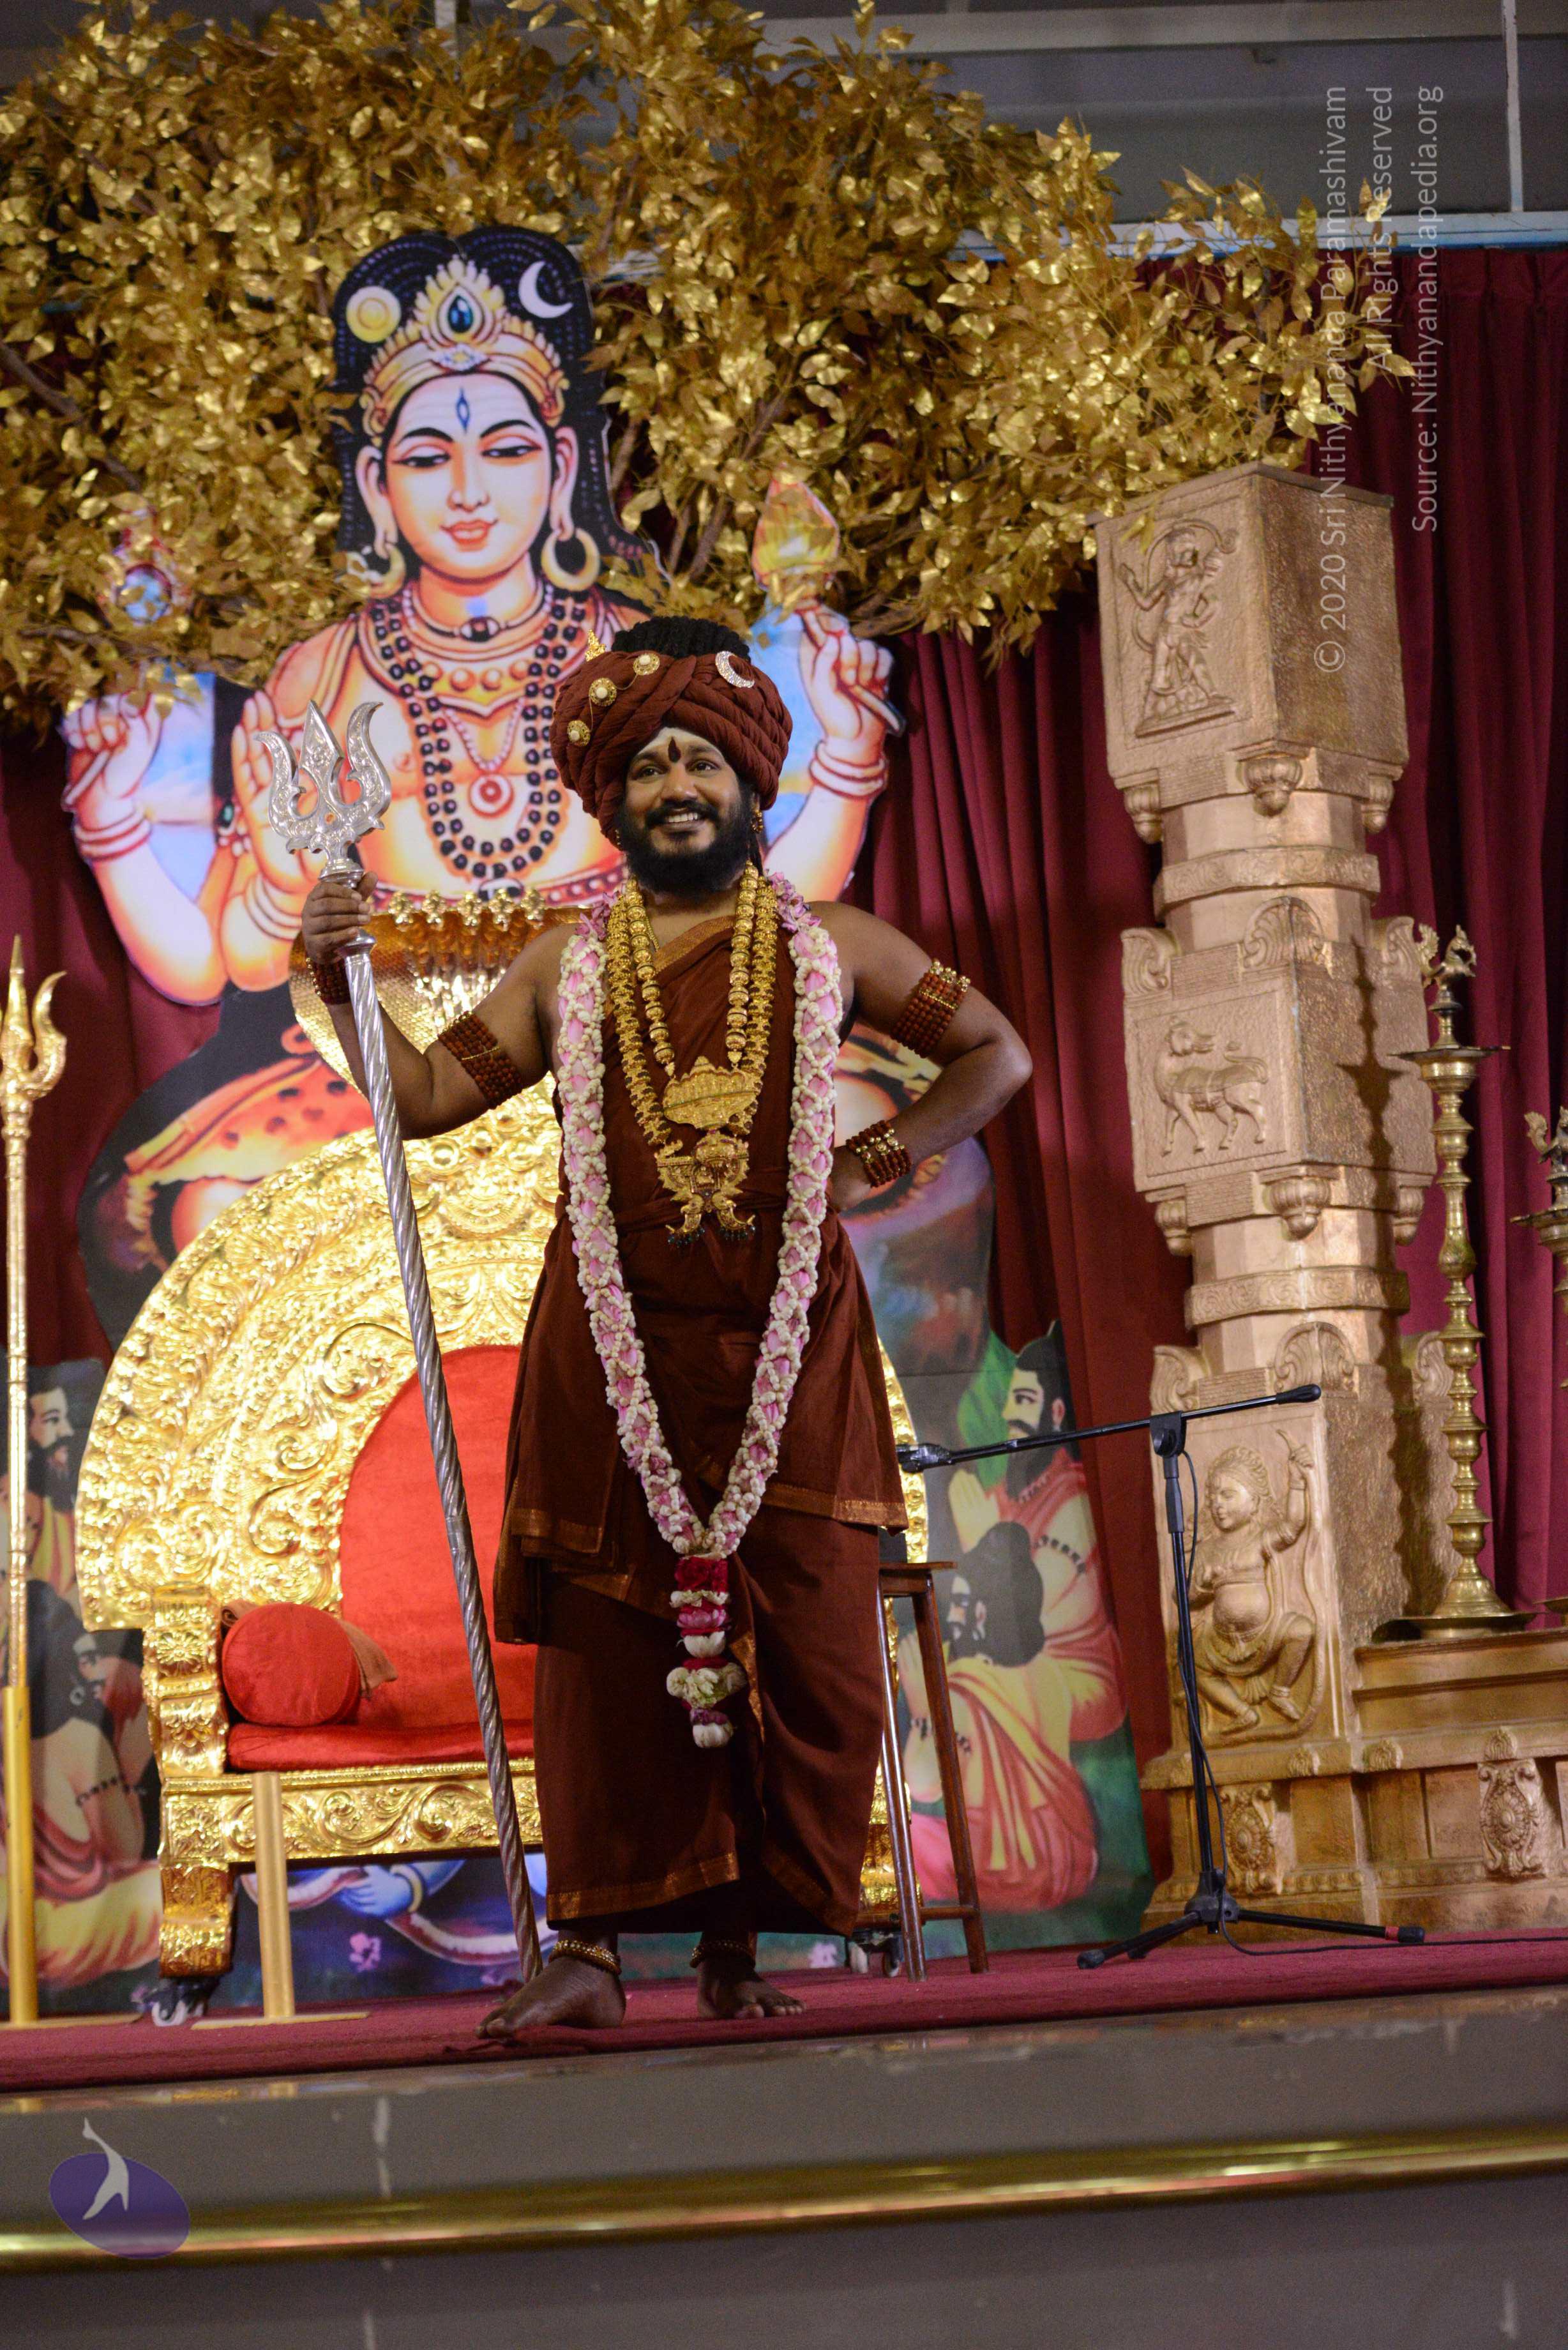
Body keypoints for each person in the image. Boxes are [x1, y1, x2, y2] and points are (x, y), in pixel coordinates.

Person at [301, 614, 1031, 2029]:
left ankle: (738, 1950)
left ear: (752, 785)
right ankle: (585, 1954)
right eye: (644, 768)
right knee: (609, 1648)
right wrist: (337, 977)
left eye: (700, 760)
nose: (674, 787)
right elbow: (427, 1097)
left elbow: (994, 1054)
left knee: (809, 1632)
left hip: (788, 1341)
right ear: (612, 800)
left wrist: (873, 1158)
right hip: (610, 1340)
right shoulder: (563, 968)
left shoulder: (836, 946)